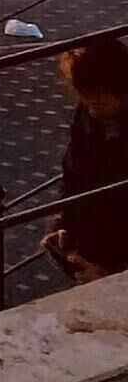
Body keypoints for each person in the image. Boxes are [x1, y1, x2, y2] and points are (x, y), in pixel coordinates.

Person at [51, 35, 128, 282]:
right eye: (85, 96)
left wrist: (112, 274)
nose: (92, 107)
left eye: (99, 99)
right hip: (99, 232)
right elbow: (74, 172)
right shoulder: (87, 115)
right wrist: (65, 224)